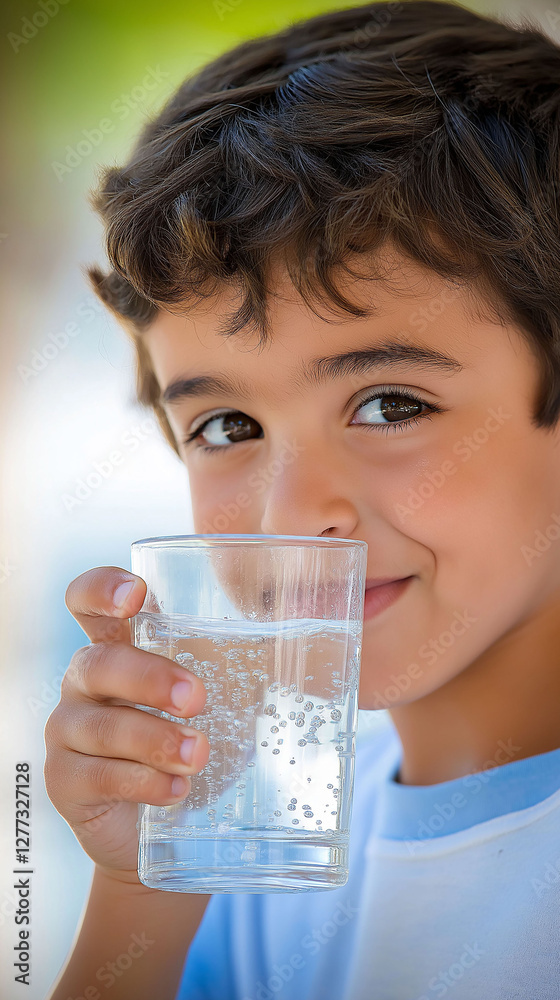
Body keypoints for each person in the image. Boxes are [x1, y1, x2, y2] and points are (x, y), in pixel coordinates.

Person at [44, 1, 560, 997]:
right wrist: (142, 886)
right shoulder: (251, 865)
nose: (293, 510)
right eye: (226, 428)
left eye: (389, 402)